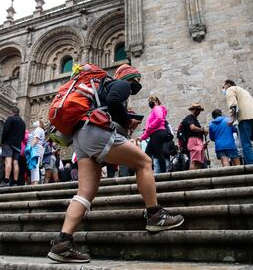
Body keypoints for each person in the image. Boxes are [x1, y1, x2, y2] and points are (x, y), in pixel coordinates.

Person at [48, 64, 184, 263]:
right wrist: (127, 122)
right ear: (133, 78)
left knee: (84, 194)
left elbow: (107, 107)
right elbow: (113, 102)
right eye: (137, 81)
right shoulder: (120, 84)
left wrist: (123, 118)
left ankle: (63, 242)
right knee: (144, 162)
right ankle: (155, 215)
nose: (137, 86)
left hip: (80, 138)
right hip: (95, 131)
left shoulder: (96, 88)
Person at [222, 80, 253, 164]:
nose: (223, 89)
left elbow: (234, 105)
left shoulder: (230, 89)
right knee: (251, 141)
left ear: (228, 85)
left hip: (245, 118)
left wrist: (232, 119)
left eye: (223, 87)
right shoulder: (244, 91)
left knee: (245, 144)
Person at [140, 96, 170, 173]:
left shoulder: (157, 108)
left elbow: (159, 118)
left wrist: (150, 127)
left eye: (152, 100)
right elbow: (148, 131)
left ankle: (164, 175)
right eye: (149, 100)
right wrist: (141, 138)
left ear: (156, 101)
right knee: (147, 155)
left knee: (158, 154)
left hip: (158, 133)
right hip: (154, 134)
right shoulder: (154, 111)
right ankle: (147, 173)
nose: (150, 102)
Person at [1, 106, 26, 186]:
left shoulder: (10, 119)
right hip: (18, 145)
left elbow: (5, 131)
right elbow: (23, 136)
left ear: (12, 112)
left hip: (9, 143)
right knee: (15, 162)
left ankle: (6, 181)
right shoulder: (23, 123)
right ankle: (15, 181)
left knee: (8, 161)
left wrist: (3, 142)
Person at [182, 103, 208, 170]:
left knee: (199, 161)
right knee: (194, 161)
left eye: (199, 110)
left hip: (197, 141)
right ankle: (193, 178)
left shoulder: (194, 119)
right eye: (197, 110)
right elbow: (192, 128)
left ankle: (197, 177)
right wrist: (202, 130)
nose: (198, 112)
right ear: (193, 110)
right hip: (194, 141)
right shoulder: (189, 118)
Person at [27, 121, 45, 185]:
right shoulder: (38, 130)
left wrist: (30, 147)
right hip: (36, 149)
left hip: (36, 149)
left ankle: (35, 182)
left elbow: (36, 139)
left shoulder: (38, 129)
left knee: (35, 166)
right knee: (33, 166)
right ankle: (33, 181)